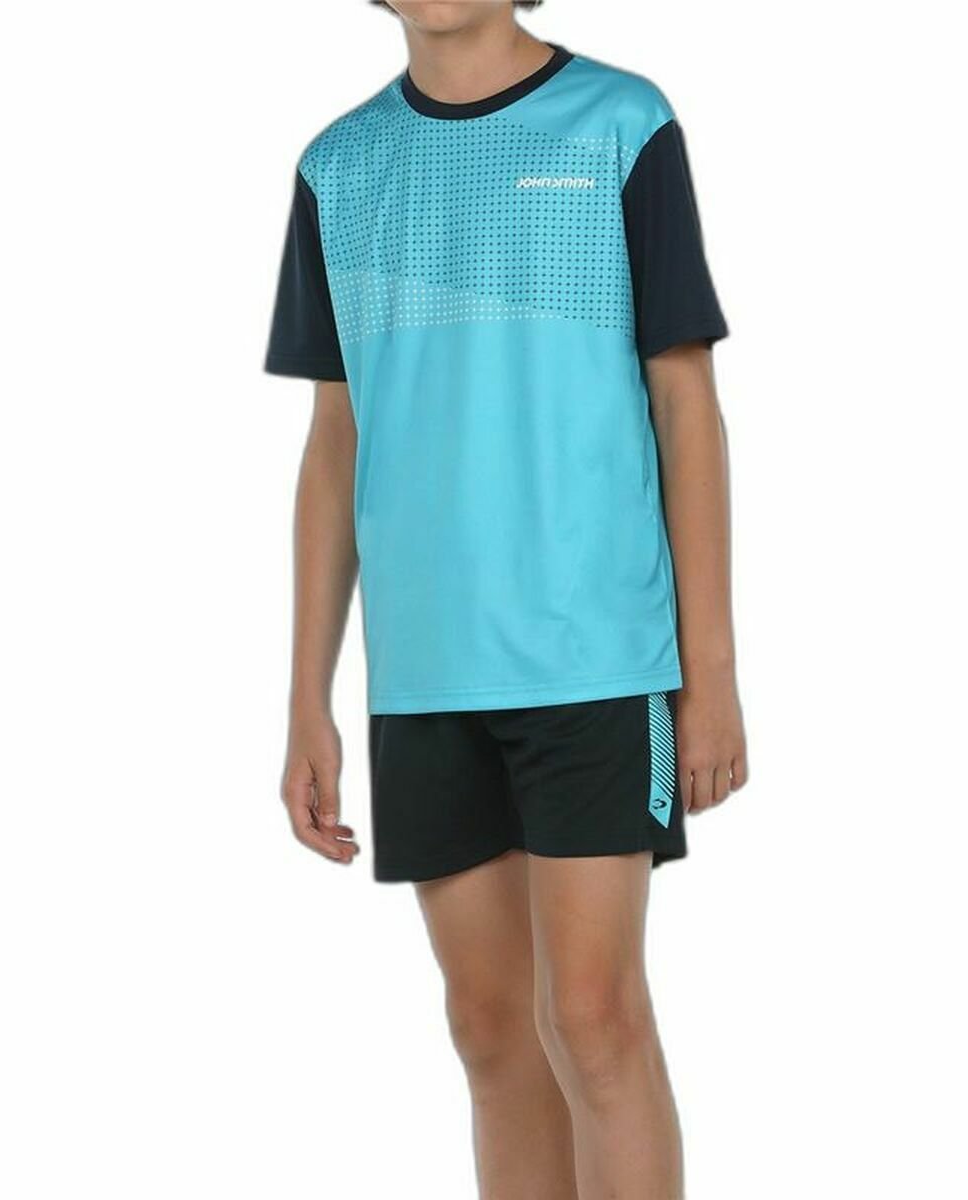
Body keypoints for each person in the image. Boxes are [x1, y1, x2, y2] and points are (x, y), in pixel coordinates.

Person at [263, 2, 747, 1195]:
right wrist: (308, 697)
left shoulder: (620, 124)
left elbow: (685, 402)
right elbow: (335, 440)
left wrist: (712, 676)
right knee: (488, 1032)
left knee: (593, 1019)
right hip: (425, 672)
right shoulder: (338, 167)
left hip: (595, 656)